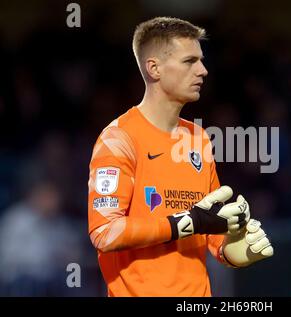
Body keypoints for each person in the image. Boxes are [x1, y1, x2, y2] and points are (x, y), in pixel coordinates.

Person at [87, 17, 274, 297]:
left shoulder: (199, 138)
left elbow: (210, 232)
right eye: (189, 61)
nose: (203, 71)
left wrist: (235, 248)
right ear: (154, 68)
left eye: (201, 60)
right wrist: (187, 222)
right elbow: (105, 232)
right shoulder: (118, 139)